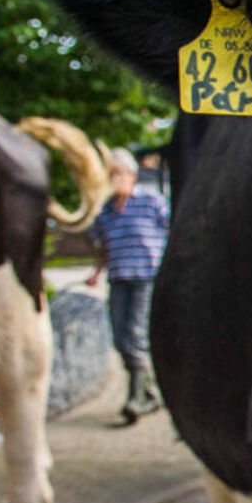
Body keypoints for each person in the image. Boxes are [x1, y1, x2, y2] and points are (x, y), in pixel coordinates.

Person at [86, 147, 169, 424]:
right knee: (120, 338)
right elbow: (102, 247)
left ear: (132, 175)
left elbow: (174, 232)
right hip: (118, 277)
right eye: (110, 174)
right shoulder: (105, 213)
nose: (114, 179)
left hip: (146, 276)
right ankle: (150, 393)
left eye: (118, 173)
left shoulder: (152, 202)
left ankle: (137, 399)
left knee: (135, 336)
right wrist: (96, 272)